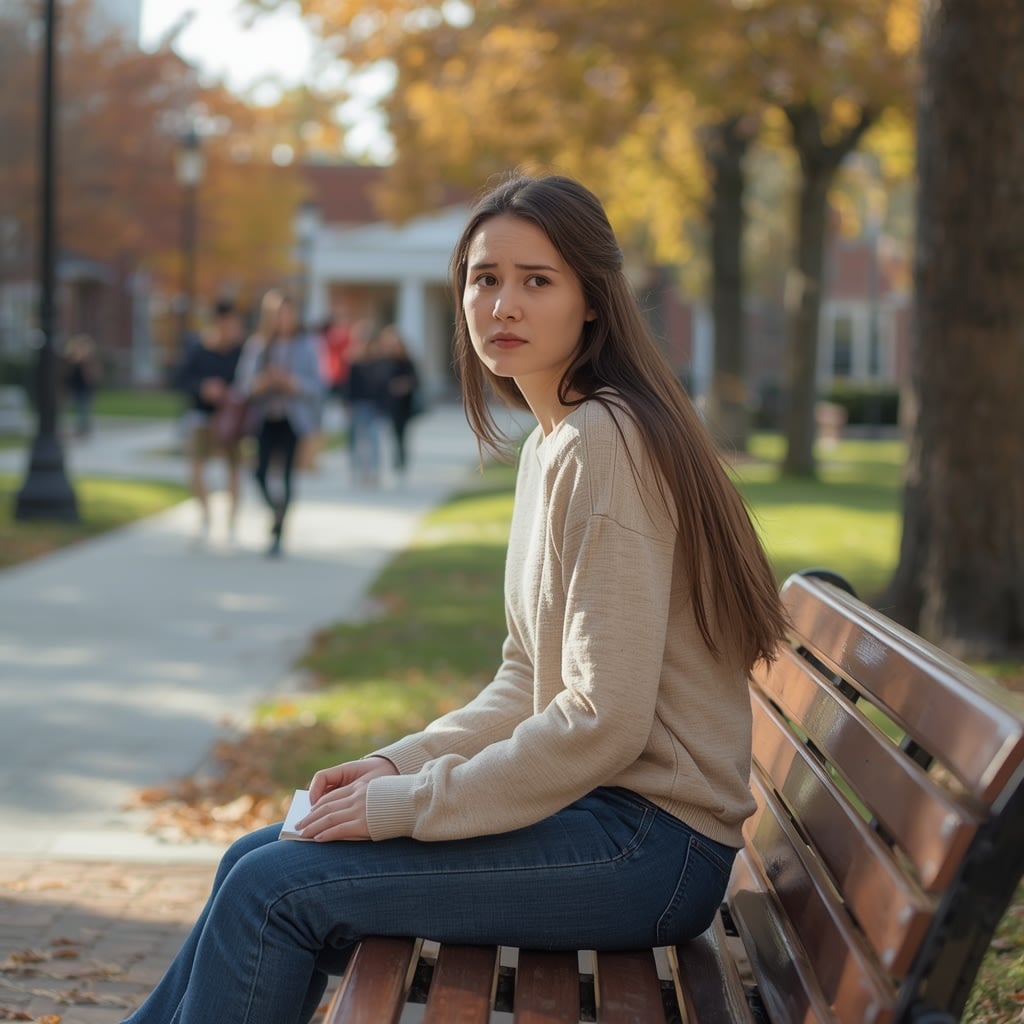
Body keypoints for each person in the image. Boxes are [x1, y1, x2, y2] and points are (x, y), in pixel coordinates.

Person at [120, 173, 787, 1024]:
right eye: (484, 278)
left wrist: (408, 807)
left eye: (536, 281)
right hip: (613, 823)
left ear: (592, 301)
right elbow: (524, 678)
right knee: (260, 856)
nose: (502, 303)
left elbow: (601, 719)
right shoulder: (556, 442)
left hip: (650, 850)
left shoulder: (605, 443)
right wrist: (395, 765)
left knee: (274, 893)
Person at [236, 289, 323, 557]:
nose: (284, 319)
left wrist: (291, 383)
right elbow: (243, 386)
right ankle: (276, 512)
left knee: (286, 475)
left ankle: (279, 534)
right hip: (265, 418)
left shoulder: (306, 345)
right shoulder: (259, 346)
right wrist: (262, 383)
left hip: (293, 420)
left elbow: (319, 386)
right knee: (259, 472)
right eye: (279, 314)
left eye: (289, 313)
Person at [174, 299, 245, 545]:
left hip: (231, 418)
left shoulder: (242, 351)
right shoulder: (199, 349)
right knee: (195, 467)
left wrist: (229, 392)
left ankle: (232, 523)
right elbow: (181, 379)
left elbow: (247, 382)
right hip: (201, 415)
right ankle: (205, 516)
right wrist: (203, 387)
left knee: (234, 469)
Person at [376, 323, 421, 476]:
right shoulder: (382, 360)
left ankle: (400, 462)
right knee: (386, 434)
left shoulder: (406, 361)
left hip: (403, 405)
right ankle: (387, 462)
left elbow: (416, 380)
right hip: (386, 404)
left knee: (400, 434)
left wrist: (404, 385)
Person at [344, 320, 384, 486]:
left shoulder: (378, 362)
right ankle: (357, 471)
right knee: (355, 440)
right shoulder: (354, 362)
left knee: (373, 440)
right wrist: (347, 404)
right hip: (358, 405)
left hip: (373, 406)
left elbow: (382, 386)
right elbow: (348, 386)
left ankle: (373, 473)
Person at [64, 333, 101, 438]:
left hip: (85, 389)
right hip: (75, 388)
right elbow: (68, 376)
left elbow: (93, 375)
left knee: (83, 410)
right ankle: (79, 429)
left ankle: (84, 430)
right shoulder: (72, 360)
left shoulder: (88, 360)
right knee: (76, 409)